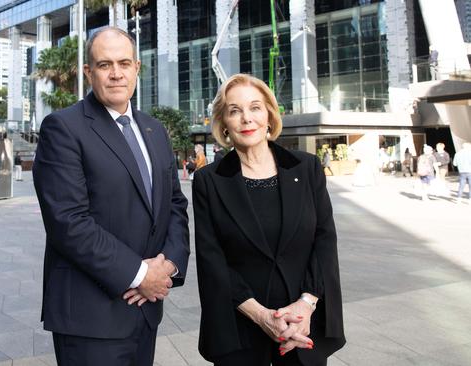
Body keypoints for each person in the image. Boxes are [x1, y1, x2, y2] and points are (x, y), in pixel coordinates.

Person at [32, 27, 190, 366]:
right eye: (105, 65)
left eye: (124, 63)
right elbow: (68, 223)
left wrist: (169, 265)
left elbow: (174, 204)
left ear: (137, 68)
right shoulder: (63, 128)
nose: (116, 73)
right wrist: (140, 274)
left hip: (146, 313)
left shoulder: (155, 130)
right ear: (89, 72)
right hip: (91, 320)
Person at [193, 74, 345, 366]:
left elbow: (325, 240)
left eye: (255, 108)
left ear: (269, 116)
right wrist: (263, 317)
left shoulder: (307, 167)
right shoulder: (208, 181)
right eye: (234, 111)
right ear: (223, 122)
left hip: (302, 330)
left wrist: (306, 304)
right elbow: (212, 261)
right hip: (241, 332)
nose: (246, 118)